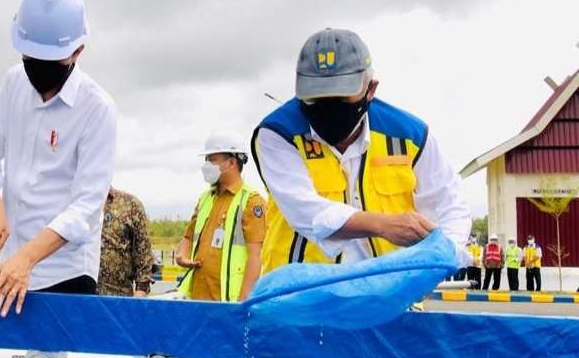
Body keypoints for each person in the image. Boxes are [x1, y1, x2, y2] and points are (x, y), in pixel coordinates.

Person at [251, 28, 471, 274]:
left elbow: (449, 204)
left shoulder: (410, 135)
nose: (328, 107)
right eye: (316, 97)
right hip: (302, 300)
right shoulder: (278, 133)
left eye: (341, 96)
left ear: (370, 89)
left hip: (392, 296)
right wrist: (383, 225)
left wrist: (441, 257)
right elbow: (306, 212)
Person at [0, 0, 117, 316]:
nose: (37, 70)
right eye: (30, 57)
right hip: (9, 267)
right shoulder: (13, 84)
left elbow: (86, 207)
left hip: (66, 273)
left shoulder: (97, 109)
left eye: (51, 62)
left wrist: (28, 258)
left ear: (78, 51)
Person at [176, 132, 267, 302]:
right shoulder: (205, 199)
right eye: (206, 160)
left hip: (228, 302)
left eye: (212, 160)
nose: (206, 165)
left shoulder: (251, 202)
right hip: (197, 299)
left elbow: (257, 256)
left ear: (232, 162)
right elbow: (188, 236)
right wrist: (181, 254)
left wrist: (243, 302)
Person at [97, 187, 154, 297]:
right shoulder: (70, 205)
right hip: (76, 298)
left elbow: (144, 252)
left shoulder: (130, 204)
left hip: (118, 298)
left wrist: (140, 291)